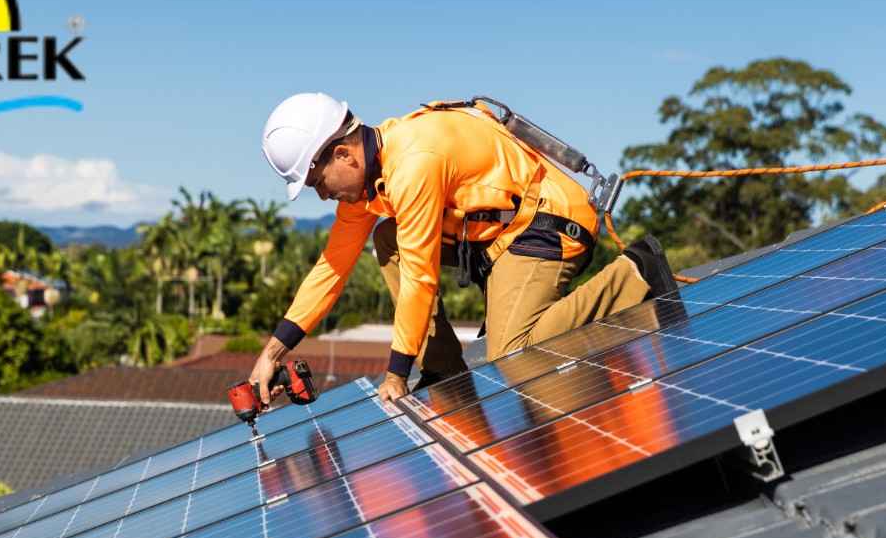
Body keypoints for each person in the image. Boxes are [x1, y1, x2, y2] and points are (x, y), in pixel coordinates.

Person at [248, 92, 678, 404]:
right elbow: (332, 267)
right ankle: (443, 369)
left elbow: (420, 274)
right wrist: (273, 353)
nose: (322, 196)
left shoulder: (414, 162)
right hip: (499, 241)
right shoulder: (369, 184)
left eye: (318, 182)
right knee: (387, 237)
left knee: (513, 353)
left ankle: (635, 271)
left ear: (344, 155)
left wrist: (397, 374)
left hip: (547, 224)